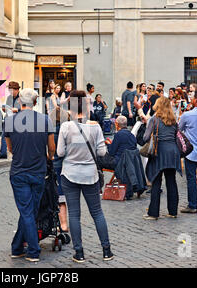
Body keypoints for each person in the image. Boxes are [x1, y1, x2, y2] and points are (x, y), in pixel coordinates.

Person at [57, 90, 113, 263]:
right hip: (90, 174)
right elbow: (102, 152)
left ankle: (79, 252)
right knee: (97, 212)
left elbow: (60, 152)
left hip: (70, 173)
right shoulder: (95, 126)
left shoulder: (66, 127)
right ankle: (106, 250)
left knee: (74, 214)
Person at [4, 88, 55, 263]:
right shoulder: (45, 120)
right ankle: (33, 250)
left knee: (27, 211)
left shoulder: (10, 121)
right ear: (35, 103)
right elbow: (52, 148)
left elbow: (9, 148)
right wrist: (48, 157)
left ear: (19, 102)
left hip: (19, 171)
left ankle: (18, 247)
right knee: (29, 210)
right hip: (38, 171)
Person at [142, 97, 181, 220]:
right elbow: (176, 135)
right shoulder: (173, 120)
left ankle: (153, 213)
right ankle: (173, 211)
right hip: (173, 152)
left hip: (159, 152)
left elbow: (145, 137)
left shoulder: (154, 120)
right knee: (171, 182)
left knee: (156, 182)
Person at [50, 107, 70, 234]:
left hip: (52, 164)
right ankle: (63, 224)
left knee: (51, 195)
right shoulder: (67, 130)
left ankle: (53, 223)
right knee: (62, 196)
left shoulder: (49, 131)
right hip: (64, 165)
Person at [0, 81, 21, 159]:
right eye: (9, 90)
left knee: (17, 137)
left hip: (18, 120)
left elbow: (25, 109)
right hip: (9, 118)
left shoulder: (22, 98)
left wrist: (17, 109)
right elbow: (7, 108)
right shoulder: (9, 97)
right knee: (4, 136)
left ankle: (18, 153)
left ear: (17, 90)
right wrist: (4, 109)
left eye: (11, 90)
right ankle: (3, 153)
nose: (10, 92)